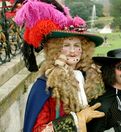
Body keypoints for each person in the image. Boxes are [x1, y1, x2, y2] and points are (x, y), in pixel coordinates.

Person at [14, 0, 105, 131]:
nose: (72, 51)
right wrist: (77, 119)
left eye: (77, 46)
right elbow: (37, 129)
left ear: (84, 49)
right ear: (56, 50)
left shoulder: (87, 77)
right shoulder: (45, 85)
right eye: (66, 46)